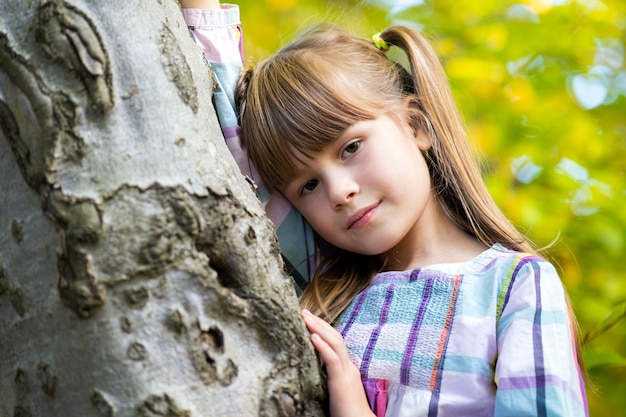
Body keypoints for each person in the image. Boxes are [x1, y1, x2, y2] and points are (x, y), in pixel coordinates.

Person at [180, 2, 589, 416]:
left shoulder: (513, 287)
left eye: (351, 147)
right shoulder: (329, 283)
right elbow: (230, 136)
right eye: (308, 185)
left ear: (416, 126)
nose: (339, 192)